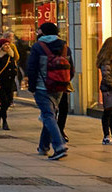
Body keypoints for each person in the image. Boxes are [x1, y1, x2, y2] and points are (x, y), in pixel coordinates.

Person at [26, 22, 74, 161]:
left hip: (42, 87)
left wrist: (32, 86)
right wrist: (64, 81)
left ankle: (59, 146)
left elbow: (32, 68)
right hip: (59, 87)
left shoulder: (38, 47)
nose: (37, 32)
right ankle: (43, 146)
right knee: (50, 114)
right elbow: (71, 69)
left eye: (39, 30)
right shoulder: (65, 46)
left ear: (44, 32)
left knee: (48, 115)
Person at [97, 36, 112, 145]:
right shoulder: (107, 60)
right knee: (108, 112)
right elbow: (106, 75)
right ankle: (106, 136)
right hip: (109, 89)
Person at [0, 35, 19, 132]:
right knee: (4, 101)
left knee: (8, 101)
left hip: (10, 82)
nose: (7, 46)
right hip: (1, 82)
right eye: (5, 45)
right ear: (1, 46)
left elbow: (13, 65)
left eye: (8, 44)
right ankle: (5, 121)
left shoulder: (11, 55)